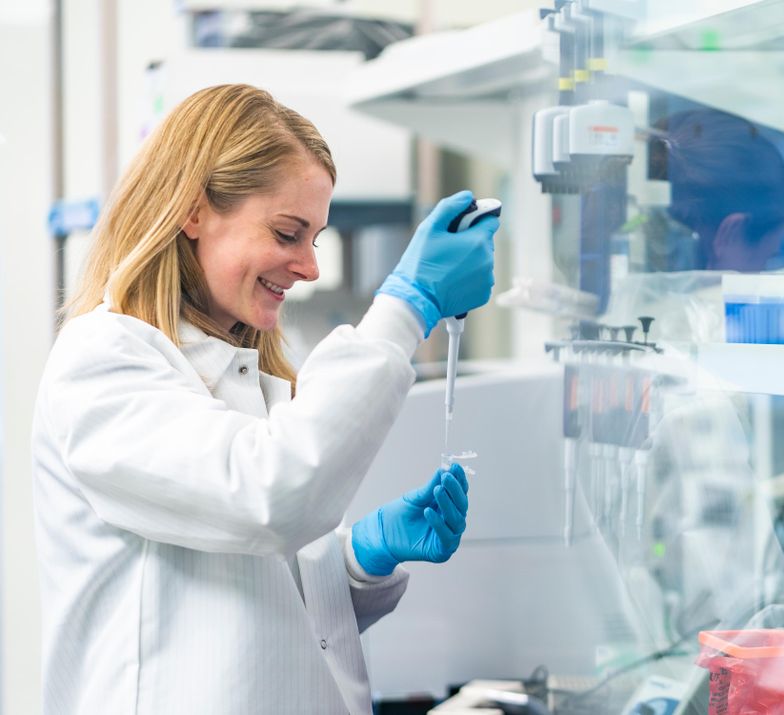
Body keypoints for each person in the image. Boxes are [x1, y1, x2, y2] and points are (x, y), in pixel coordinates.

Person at [31, 84, 499, 714]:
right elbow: (268, 494)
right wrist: (405, 308)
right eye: (288, 232)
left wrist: (359, 559)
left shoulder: (248, 382)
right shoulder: (103, 361)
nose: (308, 266)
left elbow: (256, 616)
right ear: (193, 212)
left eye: (315, 238)